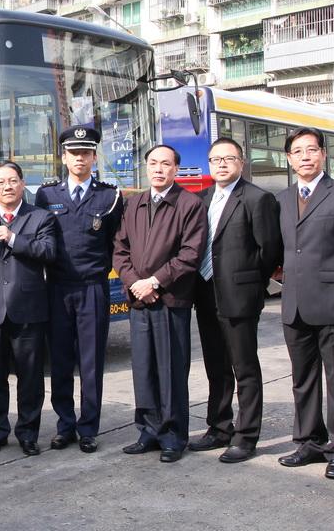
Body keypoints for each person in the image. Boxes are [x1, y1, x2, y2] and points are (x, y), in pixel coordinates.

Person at [275, 126, 334, 480]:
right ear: (289, 159)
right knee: (303, 380)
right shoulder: (282, 200)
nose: (305, 157)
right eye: (298, 152)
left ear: (323, 155)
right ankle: (309, 443)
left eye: (312, 150)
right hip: (294, 305)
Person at [188, 138, 281, 463]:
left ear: (241, 163)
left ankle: (246, 436)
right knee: (216, 367)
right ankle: (219, 427)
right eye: (216, 159)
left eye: (229, 159)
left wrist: (251, 283)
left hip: (240, 296)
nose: (222, 164)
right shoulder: (201, 199)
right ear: (209, 165)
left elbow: (270, 250)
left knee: (245, 369)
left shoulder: (258, 198)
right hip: (205, 294)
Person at [112, 145, 207, 463]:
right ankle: (148, 431)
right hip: (140, 301)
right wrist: (135, 284)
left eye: (165, 164)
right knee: (143, 369)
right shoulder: (134, 203)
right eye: (153, 163)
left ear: (176, 169)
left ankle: (173, 436)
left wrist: (154, 282)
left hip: (170, 300)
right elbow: (120, 249)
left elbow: (190, 254)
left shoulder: (190, 204)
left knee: (171, 370)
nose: (158, 169)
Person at [35, 125, 122, 454]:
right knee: (59, 360)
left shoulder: (109, 197)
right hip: (57, 288)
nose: (80, 158)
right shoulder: (47, 196)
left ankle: (88, 428)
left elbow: (116, 244)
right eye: (74, 153)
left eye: (85, 153)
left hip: (92, 288)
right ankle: (65, 425)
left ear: (94, 158)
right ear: (64, 158)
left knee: (91, 362)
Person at [0, 161, 56, 456]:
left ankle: (28, 434)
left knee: (30, 377)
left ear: (22, 184)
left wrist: (13, 239)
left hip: (28, 309)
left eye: (12, 181)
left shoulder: (41, 217)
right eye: (1, 182)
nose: (7, 187)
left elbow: (49, 252)